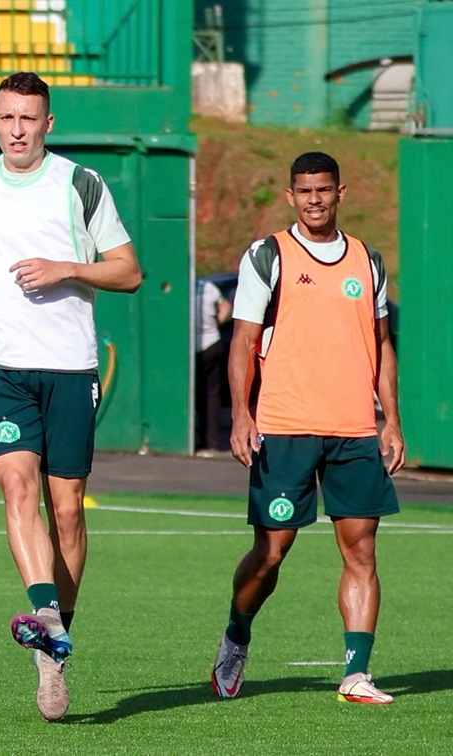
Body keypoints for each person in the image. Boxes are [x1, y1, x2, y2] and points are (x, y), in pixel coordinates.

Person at [0, 72, 142, 721]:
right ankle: (43, 610)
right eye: (7, 117)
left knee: (66, 509)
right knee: (18, 485)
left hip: (68, 365)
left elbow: (129, 270)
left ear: (49, 123)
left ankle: (55, 644)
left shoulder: (79, 184)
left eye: (29, 119)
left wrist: (68, 267)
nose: (17, 129)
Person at [210, 151, 404, 705]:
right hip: (285, 426)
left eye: (324, 189)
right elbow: (243, 340)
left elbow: (381, 344)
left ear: (341, 193)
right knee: (271, 553)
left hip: (353, 429)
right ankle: (236, 635)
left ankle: (355, 673)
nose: (314, 199)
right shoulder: (267, 255)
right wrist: (242, 415)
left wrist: (391, 420)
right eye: (304, 191)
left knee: (362, 550)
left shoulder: (367, 260)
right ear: (290, 195)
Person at [195, 277, 233, 456]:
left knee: (200, 395)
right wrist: (217, 322)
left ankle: (200, 440)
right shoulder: (209, 286)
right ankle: (212, 443)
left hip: (194, 346)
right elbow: (225, 306)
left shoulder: (187, 287)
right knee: (212, 395)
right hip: (213, 341)